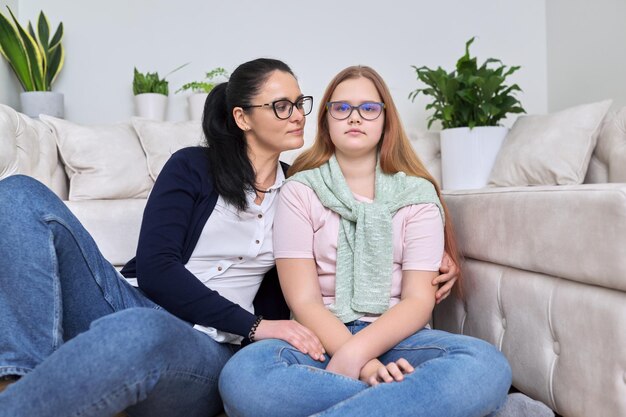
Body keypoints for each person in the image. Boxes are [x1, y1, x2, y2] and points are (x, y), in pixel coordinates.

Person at [0, 58, 459, 417]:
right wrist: (256, 326)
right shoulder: (191, 166)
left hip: (207, 351)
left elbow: (367, 226)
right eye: (282, 106)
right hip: (132, 304)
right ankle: (17, 380)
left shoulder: (303, 189)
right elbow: (157, 269)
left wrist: (446, 253)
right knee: (19, 193)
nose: (298, 114)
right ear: (242, 117)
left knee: (140, 333)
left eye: (300, 103)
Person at [218, 65, 512, 417]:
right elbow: (304, 299)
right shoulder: (300, 190)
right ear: (325, 119)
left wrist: (357, 355)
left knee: (486, 365)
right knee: (242, 376)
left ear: (386, 119)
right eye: (341, 108)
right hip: (319, 337)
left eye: (368, 109)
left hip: (399, 337)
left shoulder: (417, 194)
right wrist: (366, 367)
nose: (354, 118)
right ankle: (403, 400)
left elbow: (419, 300)